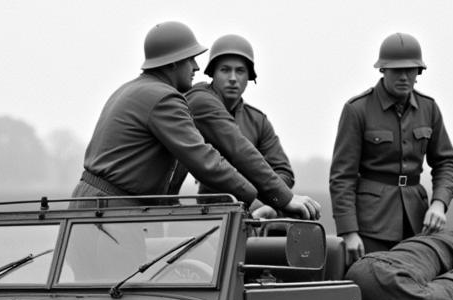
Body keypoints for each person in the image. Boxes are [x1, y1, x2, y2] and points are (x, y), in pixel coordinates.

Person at [73, 21, 314, 219]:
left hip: (92, 207)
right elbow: (206, 159)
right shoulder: (165, 98)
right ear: (174, 62)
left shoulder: (132, 90)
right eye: (190, 59)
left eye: (240, 71)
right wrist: (263, 201)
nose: (196, 67)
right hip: (110, 214)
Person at [329, 32, 453, 263]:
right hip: (372, 225)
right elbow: (342, 177)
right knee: (371, 285)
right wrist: (349, 232)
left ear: (419, 72)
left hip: (417, 223)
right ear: (383, 70)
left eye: (410, 70)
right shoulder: (357, 109)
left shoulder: (429, 109)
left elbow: (445, 162)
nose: (404, 77)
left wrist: (439, 204)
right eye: (397, 70)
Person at [172, 34, 320, 220]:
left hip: (254, 211)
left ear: (249, 76)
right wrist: (270, 199)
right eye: (225, 70)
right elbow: (238, 151)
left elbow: (283, 171)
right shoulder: (199, 100)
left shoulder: (257, 120)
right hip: (211, 211)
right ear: (212, 74)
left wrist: (267, 203)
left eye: (240, 71)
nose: (233, 78)